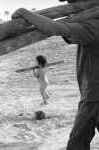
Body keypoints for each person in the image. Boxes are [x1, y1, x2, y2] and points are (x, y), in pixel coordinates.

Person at [11, 0, 99, 149]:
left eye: (73, 2)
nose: (69, 5)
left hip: (94, 94)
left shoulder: (93, 26)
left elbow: (55, 28)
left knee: (77, 142)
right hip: (93, 92)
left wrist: (23, 12)